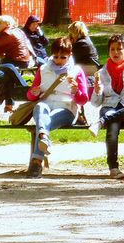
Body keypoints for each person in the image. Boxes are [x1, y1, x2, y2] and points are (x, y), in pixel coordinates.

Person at [24, 37, 89, 178]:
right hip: (47, 104)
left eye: (63, 57)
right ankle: (44, 137)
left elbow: (83, 99)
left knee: (46, 120)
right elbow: (30, 95)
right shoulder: (43, 69)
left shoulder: (76, 71)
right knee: (40, 108)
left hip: (66, 108)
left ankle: (37, 162)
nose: (59, 60)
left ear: (70, 55)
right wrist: (34, 93)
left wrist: (75, 91)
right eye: (56, 57)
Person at [88, 34, 124, 179]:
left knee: (109, 119)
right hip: (109, 107)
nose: (116, 53)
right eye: (112, 49)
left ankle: (101, 121)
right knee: (113, 128)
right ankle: (113, 168)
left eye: (119, 49)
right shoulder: (102, 72)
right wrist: (97, 90)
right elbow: (96, 103)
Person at [0, 15, 35, 111]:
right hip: (24, 60)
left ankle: (23, 90)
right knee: (7, 77)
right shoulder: (18, 31)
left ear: (7, 24)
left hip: (17, 60)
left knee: (4, 72)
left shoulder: (8, 33)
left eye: (0, 23)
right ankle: (8, 106)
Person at [68, 21, 100, 92]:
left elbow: (69, 57)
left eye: (70, 33)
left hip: (87, 72)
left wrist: (70, 43)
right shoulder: (86, 40)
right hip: (90, 69)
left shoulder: (80, 44)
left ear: (74, 32)